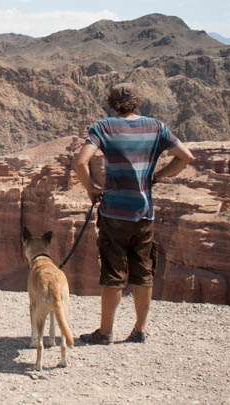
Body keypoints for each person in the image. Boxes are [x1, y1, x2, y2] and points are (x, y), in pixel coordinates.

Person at [74, 83, 194, 344]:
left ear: (111, 103)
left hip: (114, 213)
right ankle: (139, 330)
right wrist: (158, 176)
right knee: (143, 273)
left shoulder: (103, 127)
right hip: (144, 214)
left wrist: (91, 189)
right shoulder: (156, 127)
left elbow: (81, 163)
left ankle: (105, 332)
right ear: (137, 101)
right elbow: (185, 156)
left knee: (113, 274)